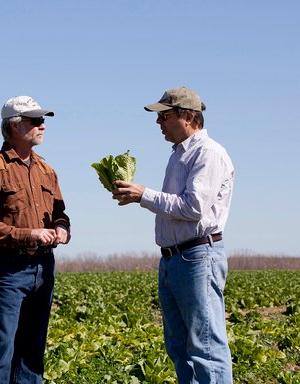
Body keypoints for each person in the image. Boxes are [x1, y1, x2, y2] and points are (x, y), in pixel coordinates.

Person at [112, 86, 234, 383]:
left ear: (188, 116)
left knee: (205, 346)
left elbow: (193, 208)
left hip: (197, 257)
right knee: (179, 347)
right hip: (174, 259)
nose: (159, 123)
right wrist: (140, 197)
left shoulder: (208, 153)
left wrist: (144, 195)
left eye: (164, 116)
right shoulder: (179, 155)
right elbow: (177, 208)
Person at [0, 95, 71, 384]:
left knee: (33, 348)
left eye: (43, 121)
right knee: (4, 345)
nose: (42, 126)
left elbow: (61, 213)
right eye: (35, 120)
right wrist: (28, 235)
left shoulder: (46, 170)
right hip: (10, 269)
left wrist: (62, 229)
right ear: (13, 126)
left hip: (44, 266)